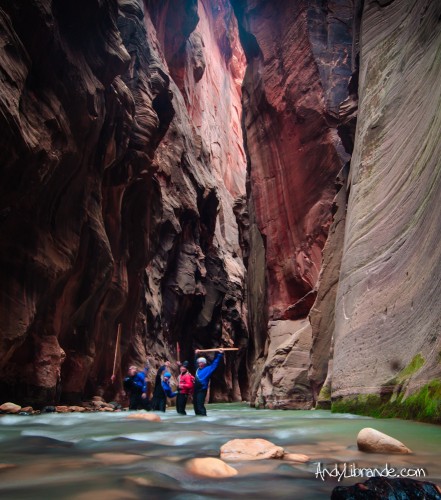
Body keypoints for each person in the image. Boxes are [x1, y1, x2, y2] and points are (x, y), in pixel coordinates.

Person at [193, 349, 224, 416]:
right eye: (199, 363)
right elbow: (194, 362)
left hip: (202, 389)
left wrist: (220, 354)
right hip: (196, 389)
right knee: (195, 405)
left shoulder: (208, 369)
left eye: (201, 362)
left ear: (204, 363)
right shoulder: (197, 369)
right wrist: (196, 354)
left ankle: (204, 416)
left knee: (200, 404)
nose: (199, 364)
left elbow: (215, 364)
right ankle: (197, 417)